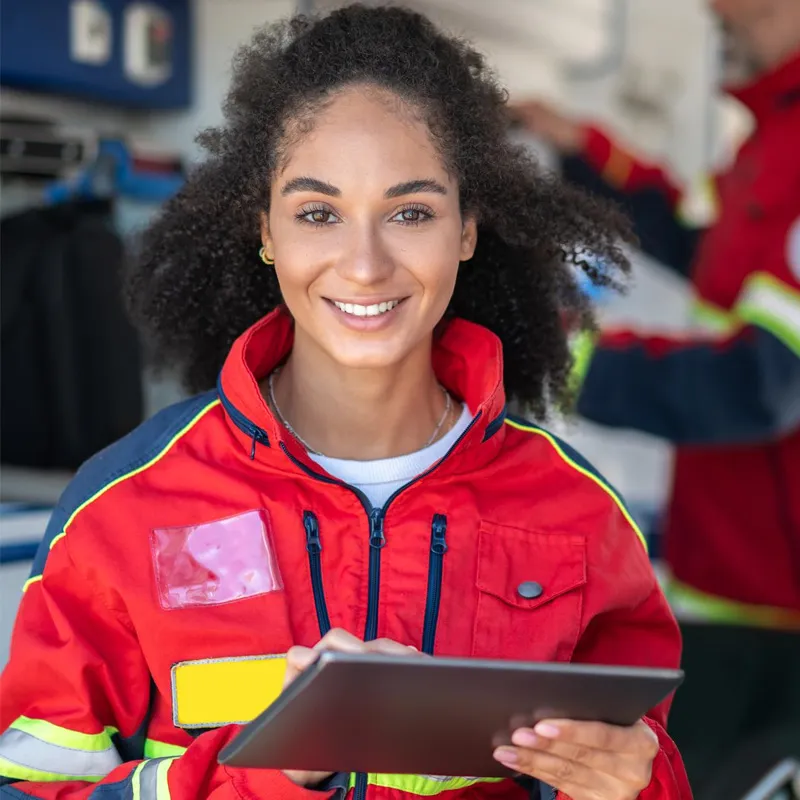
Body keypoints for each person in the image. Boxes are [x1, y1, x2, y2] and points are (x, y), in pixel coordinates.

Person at [0, 6, 691, 799]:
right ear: (267, 230)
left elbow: (645, 765)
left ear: (467, 229)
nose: (364, 265)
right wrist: (276, 771)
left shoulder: (578, 514)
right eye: (318, 213)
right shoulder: (125, 506)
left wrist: (636, 785)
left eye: (411, 213)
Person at [512, 0, 800, 791]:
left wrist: (560, 360)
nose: (714, 11)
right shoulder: (772, 137)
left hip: (777, 614)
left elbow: (763, 386)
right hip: (728, 582)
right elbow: (697, 236)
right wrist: (586, 158)